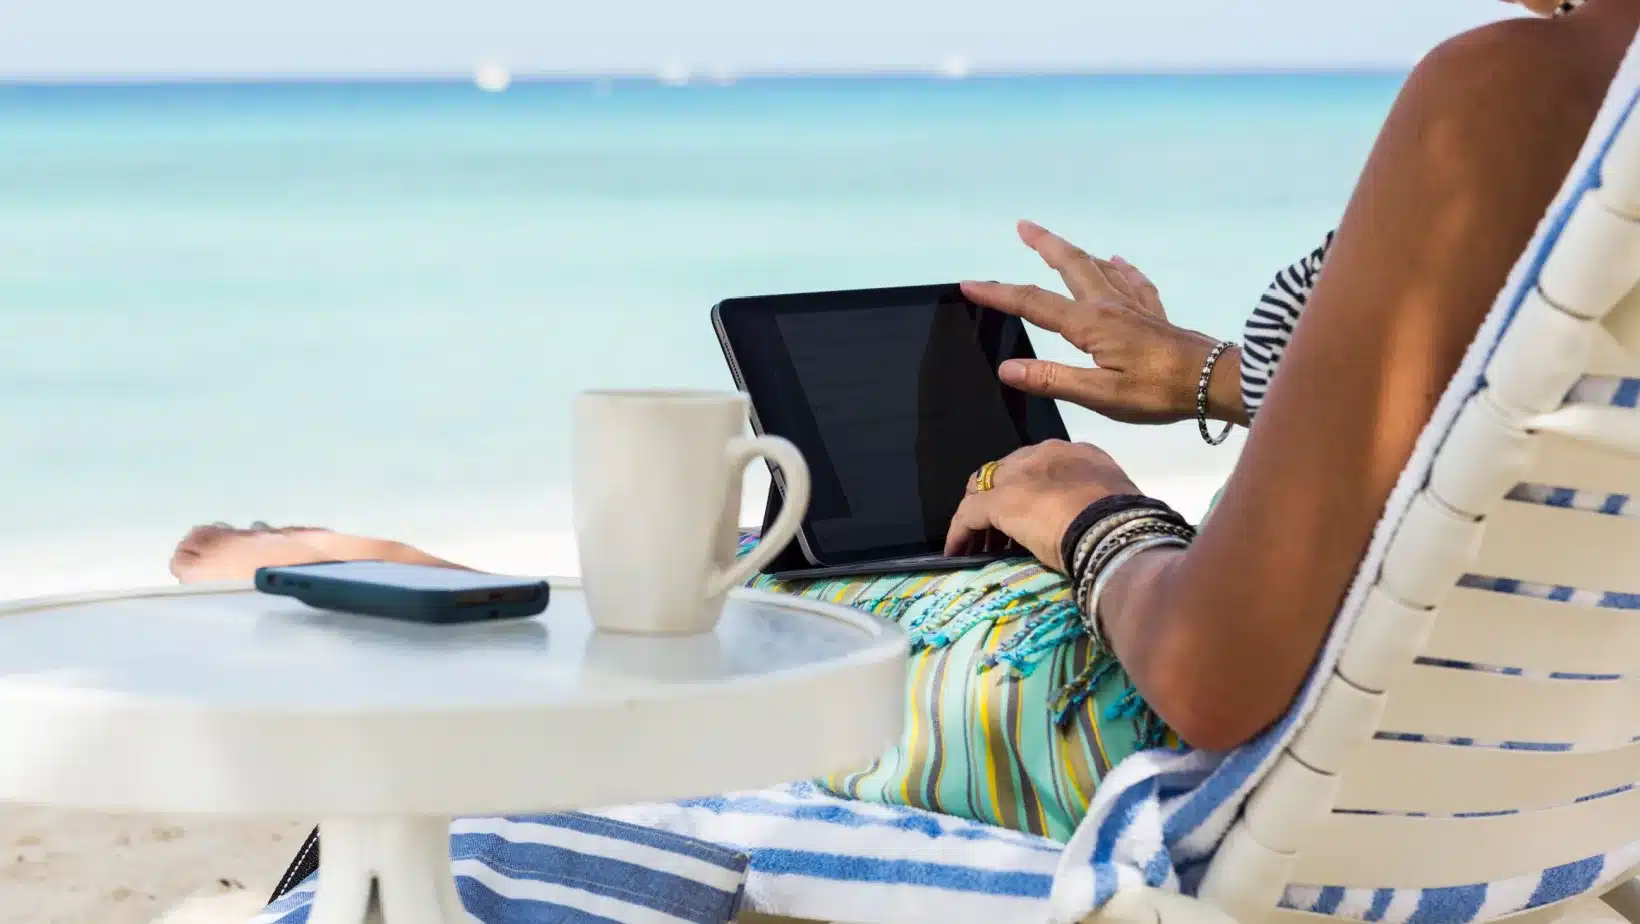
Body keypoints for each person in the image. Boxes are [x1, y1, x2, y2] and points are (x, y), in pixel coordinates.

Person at [171, 0, 1637, 845]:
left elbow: (1215, 678)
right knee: (853, 575)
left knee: (788, 630)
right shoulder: (1598, 138)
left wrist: (1092, 515)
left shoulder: (1508, 104)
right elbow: (1513, 411)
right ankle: (454, 588)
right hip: (1544, 757)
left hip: (1275, 756)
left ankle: (428, 592)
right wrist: (1212, 375)